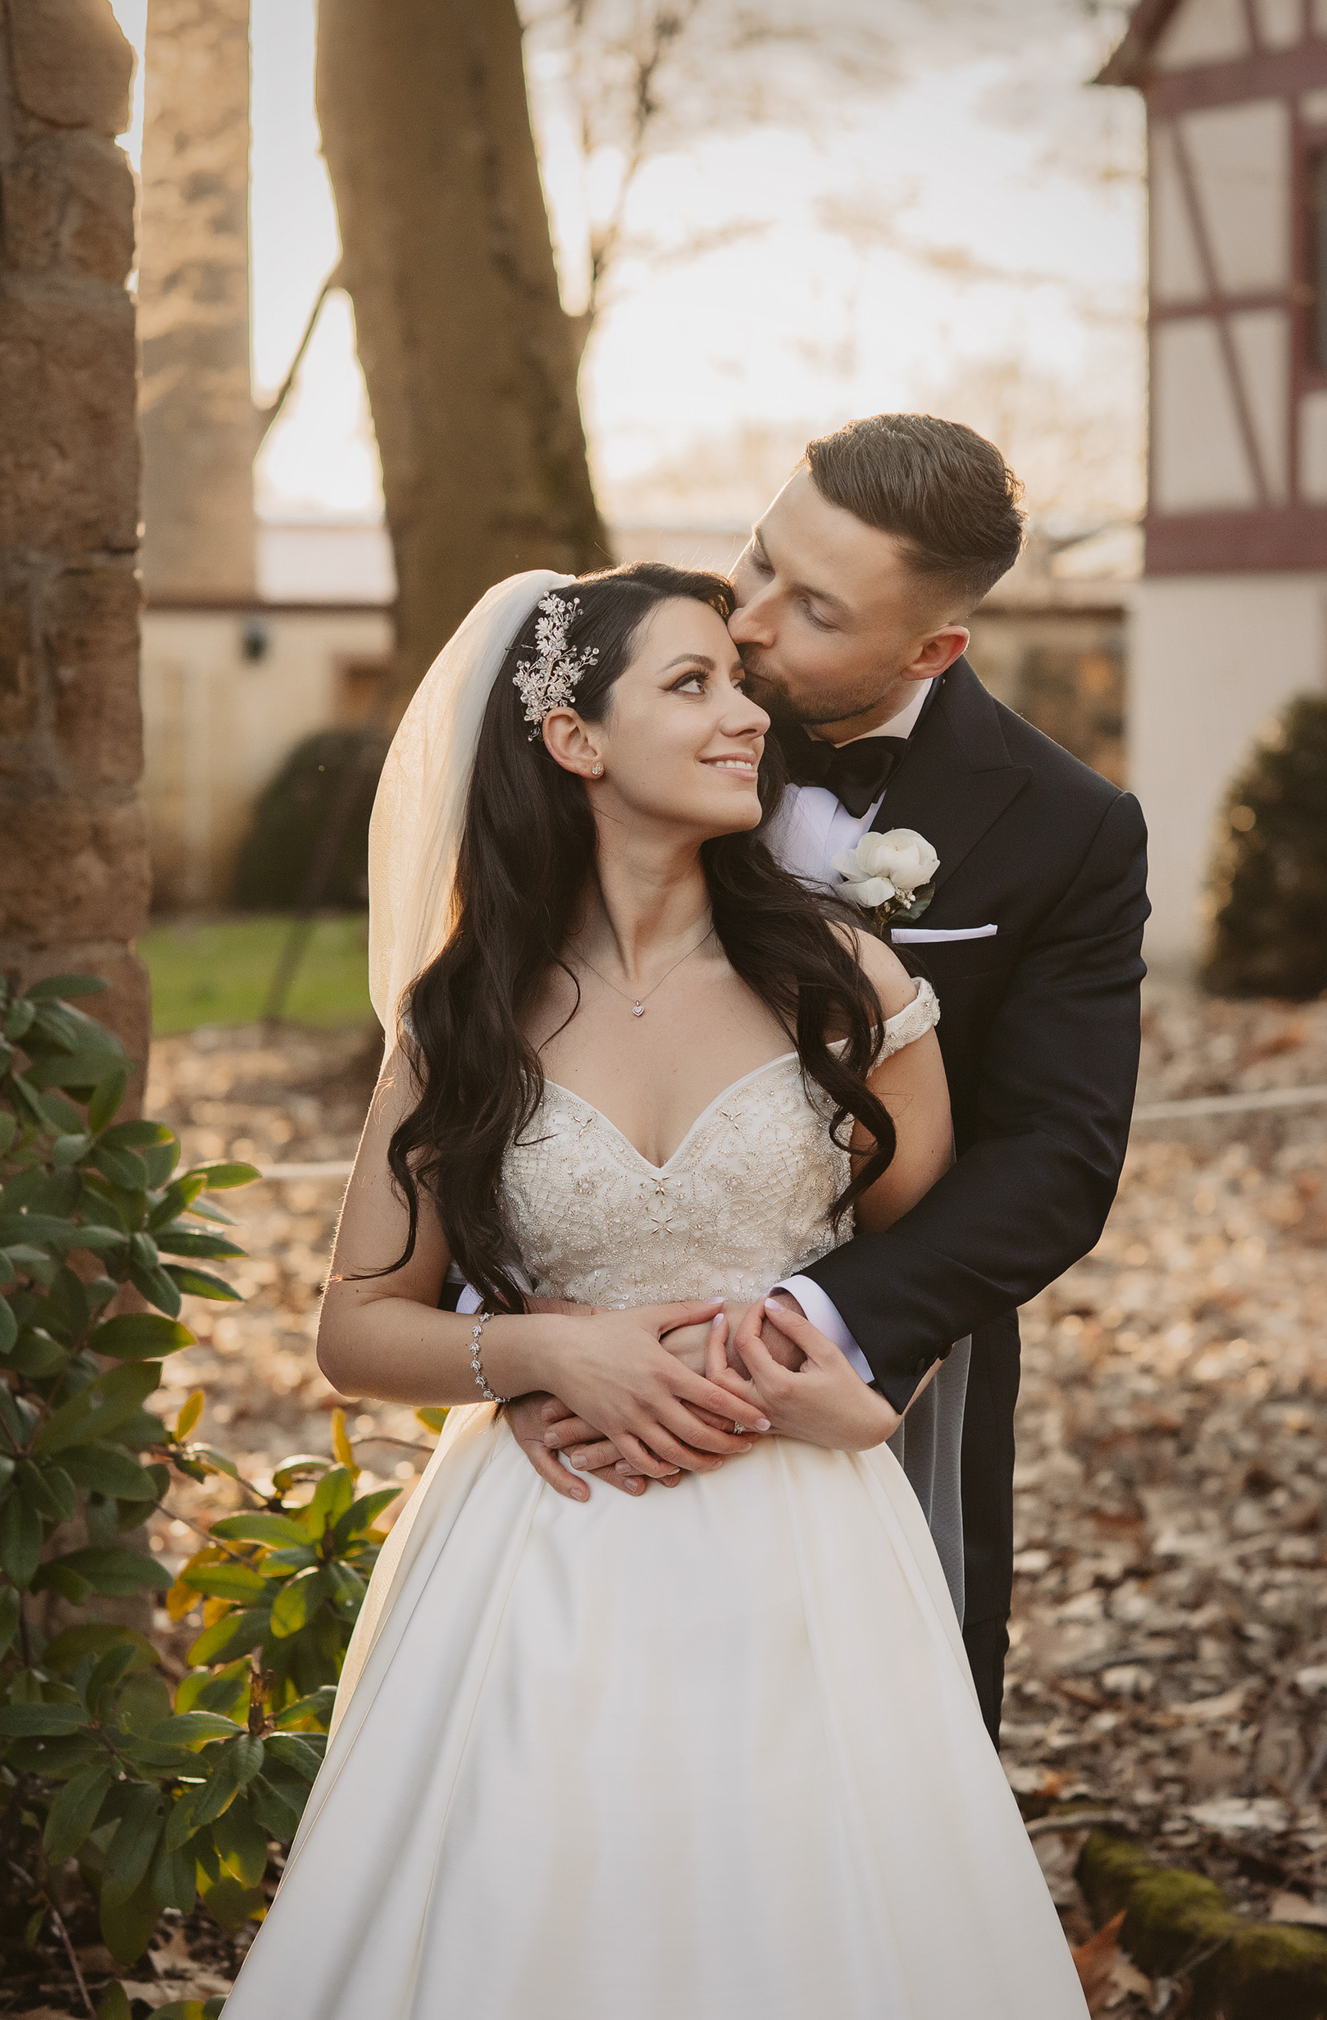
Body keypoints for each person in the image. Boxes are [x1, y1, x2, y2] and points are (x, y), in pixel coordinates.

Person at [223, 560, 1088, 2018]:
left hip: (802, 1544)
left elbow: (927, 1274)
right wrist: (547, 1359)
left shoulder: (848, 988)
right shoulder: (464, 1016)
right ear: (573, 741)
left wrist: (868, 1405)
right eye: (690, 685)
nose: (742, 713)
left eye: (736, 683)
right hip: (543, 1549)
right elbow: (356, 1327)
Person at [506, 414, 1150, 1741]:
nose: (742, 625)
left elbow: (1055, 1156)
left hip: (876, 1358)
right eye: (754, 562)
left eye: (810, 610)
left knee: (881, 1748)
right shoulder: (633, 706)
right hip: (583, 1373)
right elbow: (488, 1036)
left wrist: (812, 1334)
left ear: (932, 651)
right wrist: (522, 1328)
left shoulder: (1070, 829)